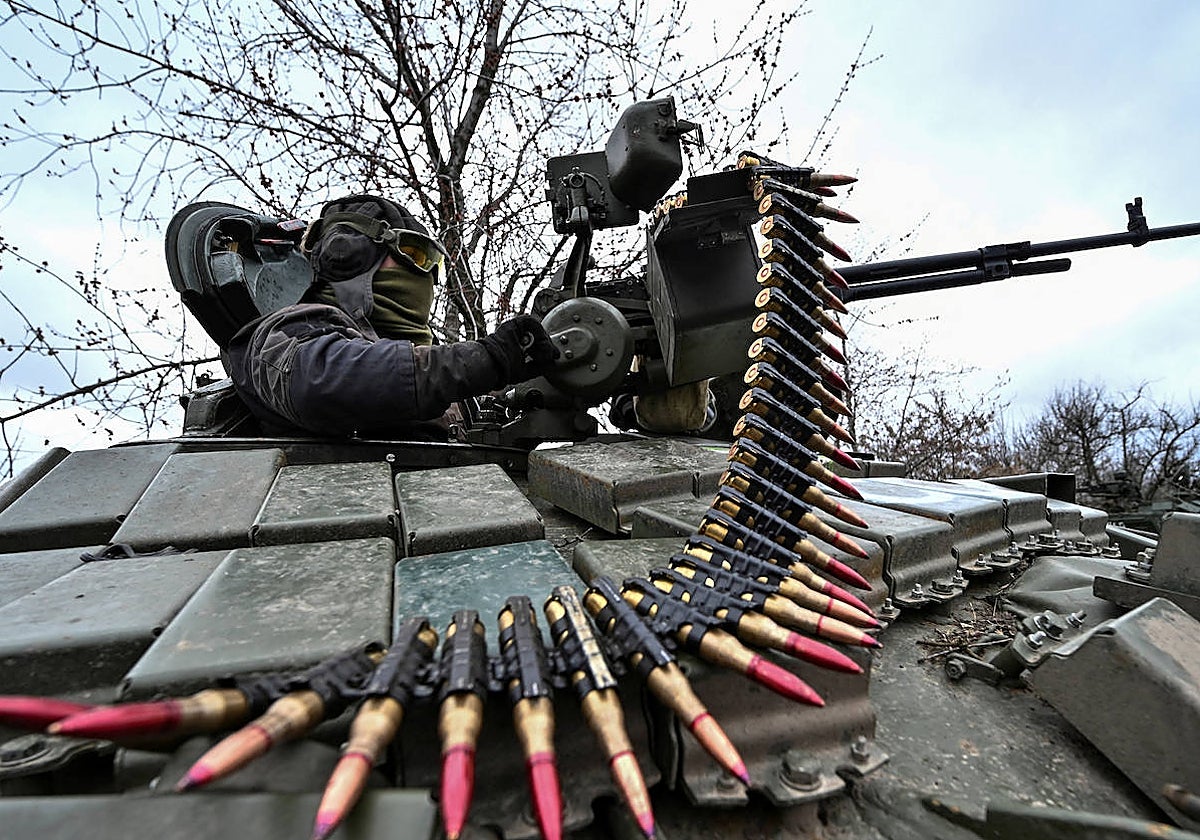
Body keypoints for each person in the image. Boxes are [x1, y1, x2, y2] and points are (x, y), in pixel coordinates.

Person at [221, 194, 557, 438]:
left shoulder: (426, 372)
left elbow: (471, 407)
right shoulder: (287, 333)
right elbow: (328, 382)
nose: (424, 274)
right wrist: (490, 359)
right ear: (350, 256)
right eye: (413, 253)